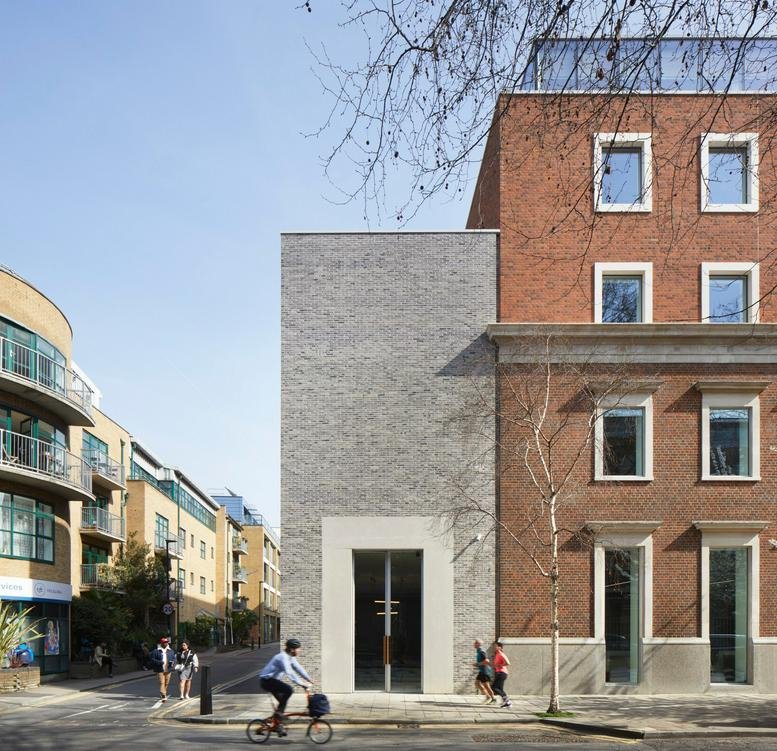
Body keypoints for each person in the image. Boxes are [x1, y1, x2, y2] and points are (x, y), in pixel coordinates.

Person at [258, 638, 312, 737]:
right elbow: (290, 672)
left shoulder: (290, 657)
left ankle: (271, 725)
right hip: (266, 681)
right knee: (289, 690)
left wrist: (308, 678)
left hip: (272, 681)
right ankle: (278, 723)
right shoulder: (283, 657)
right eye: (298, 649)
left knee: (282, 704)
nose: (300, 651)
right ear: (292, 649)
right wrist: (302, 684)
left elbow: (298, 668)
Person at [150, 637, 177, 702]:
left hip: (168, 669)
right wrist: (160, 662)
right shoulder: (156, 651)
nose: (166, 644)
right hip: (160, 669)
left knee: (166, 683)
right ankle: (163, 695)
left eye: (167, 642)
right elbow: (152, 659)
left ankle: (163, 693)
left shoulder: (171, 651)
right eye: (164, 643)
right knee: (162, 682)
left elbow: (174, 658)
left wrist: (172, 663)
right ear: (161, 643)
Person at [473, 639, 496, 703]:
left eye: (475, 643)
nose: (474, 644)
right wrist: (478, 664)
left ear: (478, 644)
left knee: (487, 686)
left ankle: (493, 699)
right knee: (477, 683)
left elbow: (486, 661)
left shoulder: (481, 651)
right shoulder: (478, 651)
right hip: (481, 671)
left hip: (485, 671)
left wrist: (477, 664)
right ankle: (488, 696)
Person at [491, 641, 512, 708]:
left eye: (495, 646)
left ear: (499, 647)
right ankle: (507, 703)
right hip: (499, 673)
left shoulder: (501, 654)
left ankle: (508, 701)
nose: (494, 647)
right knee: (500, 689)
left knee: (494, 688)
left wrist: (500, 665)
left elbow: (508, 663)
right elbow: (496, 664)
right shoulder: (497, 654)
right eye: (493, 646)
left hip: (502, 673)